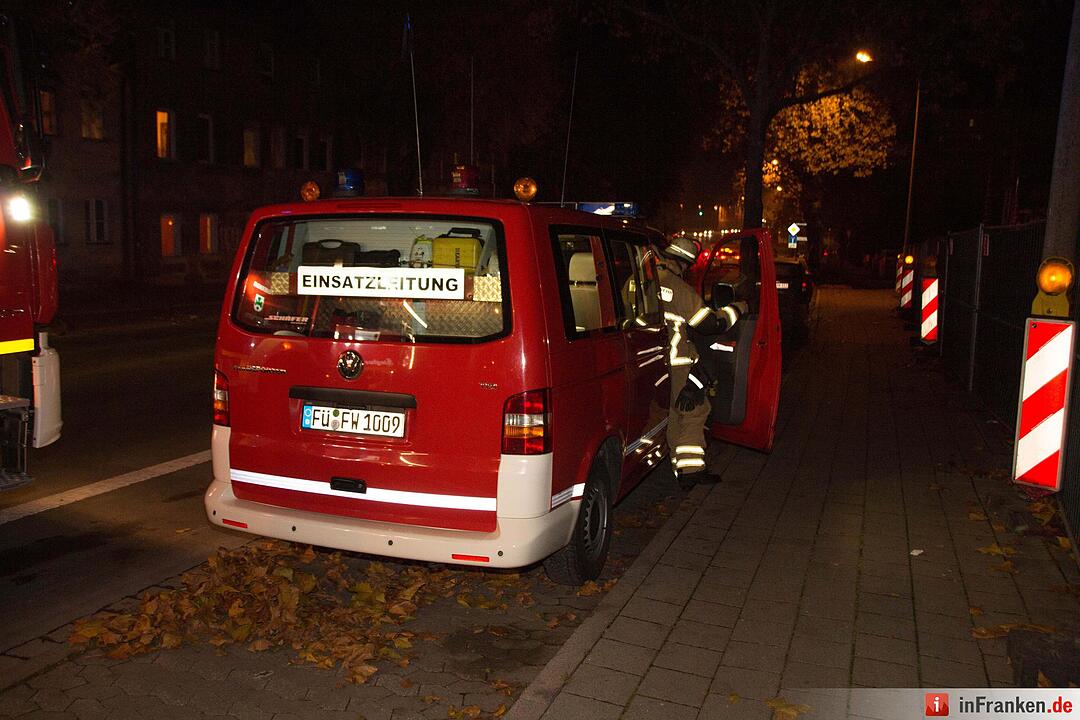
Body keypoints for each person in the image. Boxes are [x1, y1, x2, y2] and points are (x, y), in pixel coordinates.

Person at [657, 236, 743, 489]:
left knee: (674, 415)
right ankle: (691, 470)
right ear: (684, 264)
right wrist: (736, 309)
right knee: (695, 410)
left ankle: (679, 468)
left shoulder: (640, 283)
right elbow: (709, 324)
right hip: (678, 363)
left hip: (653, 363)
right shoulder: (678, 289)